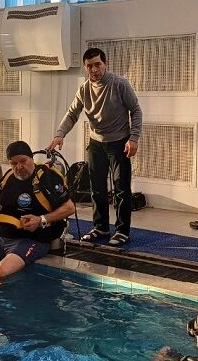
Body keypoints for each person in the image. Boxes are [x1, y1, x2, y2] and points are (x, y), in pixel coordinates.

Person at [47, 47, 143, 247]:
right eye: (89, 66)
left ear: (105, 64)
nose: (94, 69)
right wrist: (59, 134)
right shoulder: (84, 89)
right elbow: (72, 113)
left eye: (97, 64)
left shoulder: (119, 84)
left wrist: (133, 138)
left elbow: (135, 110)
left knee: (121, 189)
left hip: (119, 142)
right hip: (96, 143)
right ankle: (100, 227)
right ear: (85, 67)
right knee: (97, 189)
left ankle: (122, 231)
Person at [0, 140, 76, 282]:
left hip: (33, 239)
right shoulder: (9, 177)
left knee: (0, 273)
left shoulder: (47, 177)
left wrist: (41, 220)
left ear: (31, 158)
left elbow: (69, 208)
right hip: (3, 238)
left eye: (23, 161)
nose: (19, 167)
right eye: (13, 163)